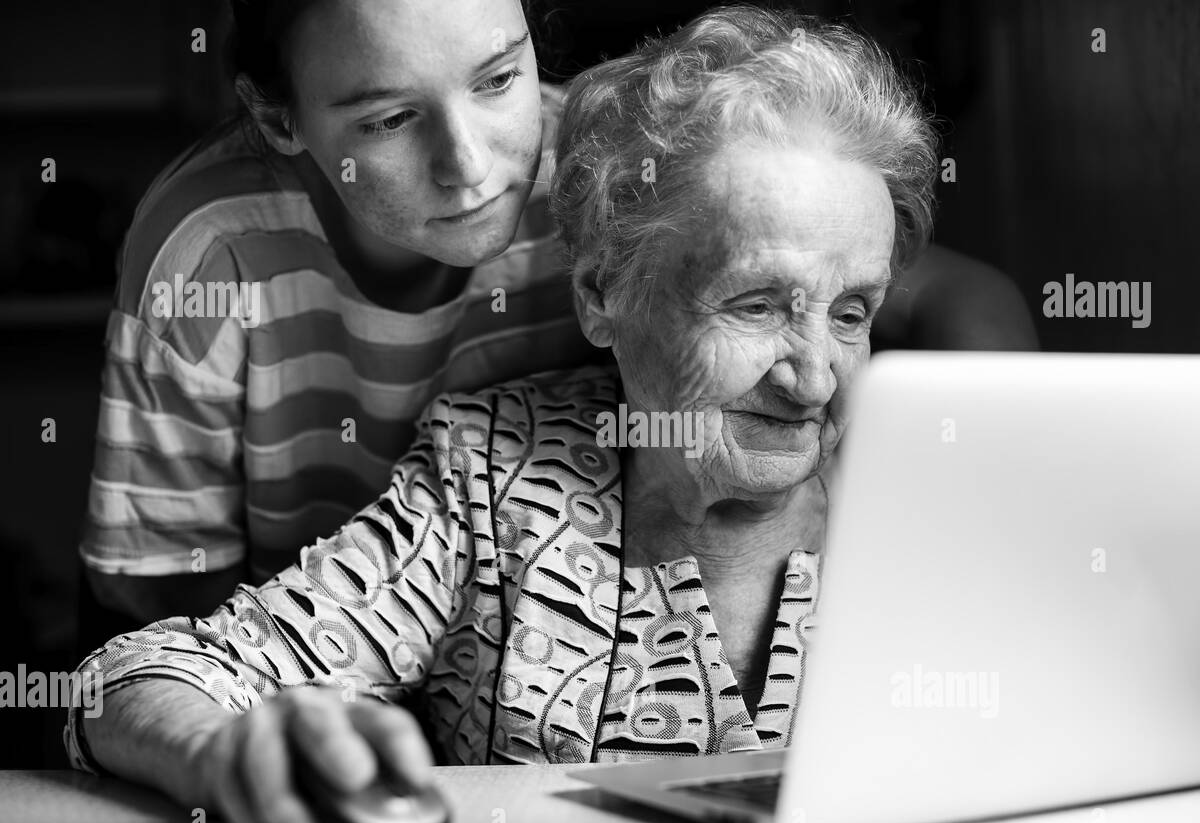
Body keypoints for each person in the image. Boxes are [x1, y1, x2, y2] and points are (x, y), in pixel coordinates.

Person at [78, 0, 1035, 650]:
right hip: (318, 652)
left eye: (497, 80)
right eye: (387, 119)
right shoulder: (208, 252)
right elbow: (161, 591)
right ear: (279, 119)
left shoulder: (612, 164)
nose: (473, 164)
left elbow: (948, 298)